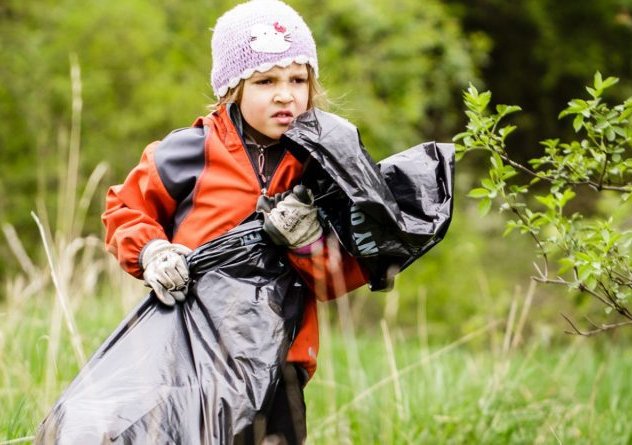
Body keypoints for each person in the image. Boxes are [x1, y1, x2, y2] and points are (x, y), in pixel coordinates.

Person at [101, 0, 368, 443]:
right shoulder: (187, 152)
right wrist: (153, 251)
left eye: (298, 79)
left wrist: (306, 244)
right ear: (233, 88)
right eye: (266, 81)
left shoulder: (322, 164)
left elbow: (344, 274)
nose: (286, 94)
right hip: (186, 354)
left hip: (281, 363)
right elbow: (124, 210)